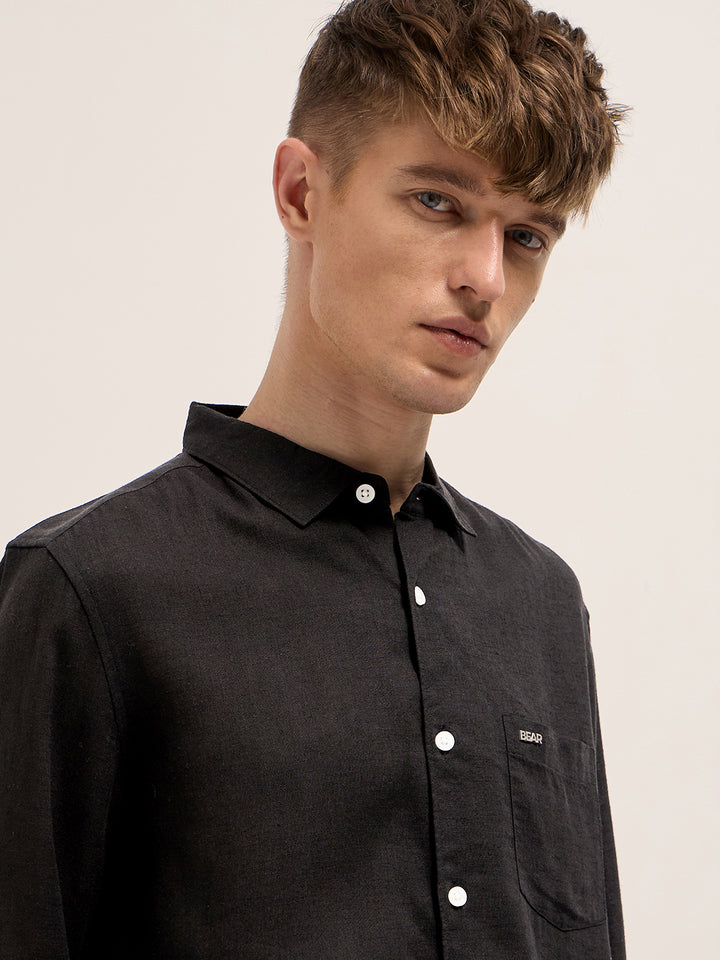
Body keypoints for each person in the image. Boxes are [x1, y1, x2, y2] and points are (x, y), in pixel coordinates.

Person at [0, 1, 627, 957]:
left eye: (528, 236)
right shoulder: (90, 592)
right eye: (439, 202)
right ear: (301, 193)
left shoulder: (538, 601)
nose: (486, 278)